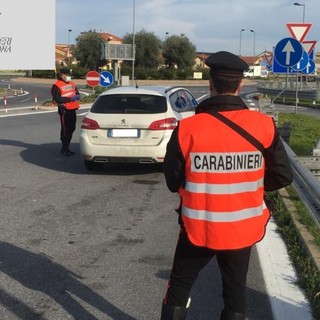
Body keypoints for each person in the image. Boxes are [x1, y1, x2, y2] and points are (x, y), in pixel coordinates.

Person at [160, 51, 293, 320]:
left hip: (198, 227)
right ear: (240, 85)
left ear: (211, 84)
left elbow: (173, 182)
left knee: (180, 287)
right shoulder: (264, 126)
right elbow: (283, 175)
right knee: (235, 292)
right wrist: (250, 183)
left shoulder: (188, 128)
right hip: (242, 229)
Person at [51, 68, 80, 156]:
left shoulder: (72, 83)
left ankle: (67, 146)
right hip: (64, 110)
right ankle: (64, 148)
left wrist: (78, 96)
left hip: (73, 108)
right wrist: (70, 99)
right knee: (65, 130)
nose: (68, 76)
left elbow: (76, 92)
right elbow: (57, 98)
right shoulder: (57, 85)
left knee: (72, 128)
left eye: (69, 75)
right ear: (62, 75)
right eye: (67, 75)